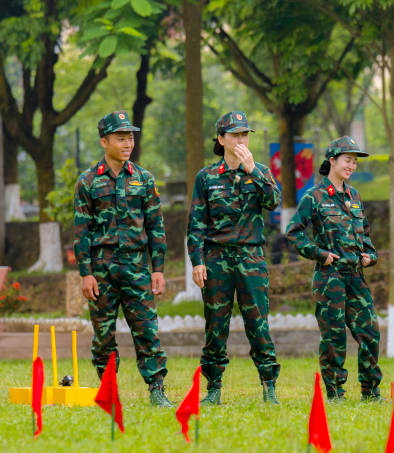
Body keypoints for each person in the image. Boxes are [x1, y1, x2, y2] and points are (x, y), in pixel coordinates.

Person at [73, 110, 172, 408]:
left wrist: (158, 270)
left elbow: (156, 227)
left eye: (130, 137)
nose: (127, 142)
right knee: (103, 333)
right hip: (101, 269)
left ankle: (157, 389)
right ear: (105, 141)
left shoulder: (143, 179)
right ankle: (107, 388)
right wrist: (85, 273)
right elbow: (82, 231)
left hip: (137, 267)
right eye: (120, 137)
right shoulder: (88, 181)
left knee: (147, 329)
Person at [187, 111, 281, 405]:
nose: (242, 140)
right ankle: (213, 388)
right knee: (215, 324)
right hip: (217, 259)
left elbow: (273, 202)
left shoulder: (259, 170)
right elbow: (196, 223)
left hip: (251, 258)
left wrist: (254, 171)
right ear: (221, 139)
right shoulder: (207, 177)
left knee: (258, 324)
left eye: (245, 134)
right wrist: (197, 260)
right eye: (235, 135)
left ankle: (269, 386)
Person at [286, 136, 383, 402]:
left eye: (354, 162)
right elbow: (294, 233)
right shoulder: (314, 196)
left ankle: (371, 391)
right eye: (347, 160)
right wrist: (319, 254)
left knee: (370, 331)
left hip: (356, 277)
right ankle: (335, 392)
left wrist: (370, 256)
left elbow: (365, 238)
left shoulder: (355, 196)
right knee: (334, 336)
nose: (351, 166)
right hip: (329, 278)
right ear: (332, 161)